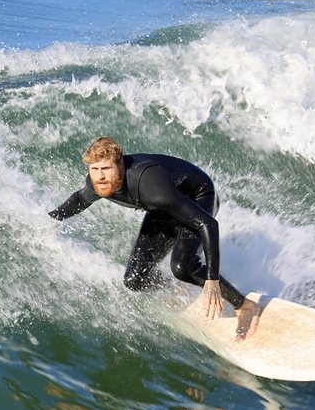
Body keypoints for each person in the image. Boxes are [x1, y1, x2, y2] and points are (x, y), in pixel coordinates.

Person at [49, 137, 261, 340]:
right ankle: (176, 287)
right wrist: (52, 220)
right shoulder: (98, 183)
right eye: (94, 170)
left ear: (120, 166)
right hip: (163, 208)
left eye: (106, 169)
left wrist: (212, 280)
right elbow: (79, 199)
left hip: (197, 196)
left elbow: (208, 224)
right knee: (134, 279)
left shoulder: (150, 186)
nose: (100, 176)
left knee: (182, 266)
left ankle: (245, 305)